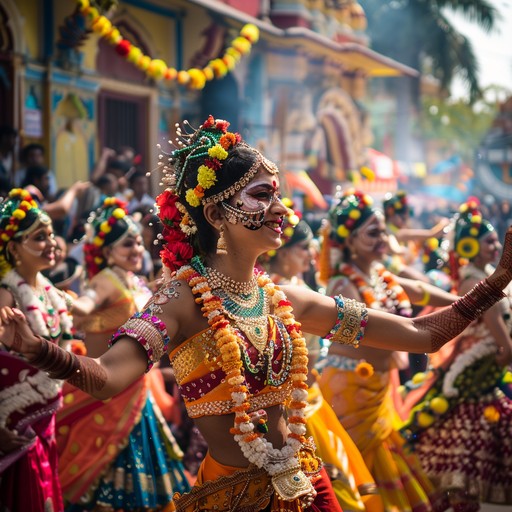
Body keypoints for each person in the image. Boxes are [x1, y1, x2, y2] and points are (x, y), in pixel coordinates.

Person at [1, 116, 512, 512]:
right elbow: (109, 378)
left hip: (307, 485)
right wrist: (41, 349)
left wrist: (497, 281)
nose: (281, 210)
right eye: (262, 195)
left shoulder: (288, 298)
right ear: (217, 214)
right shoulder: (180, 300)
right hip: (233, 495)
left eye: (279, 195)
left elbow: (421, 336)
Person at [316, 188, 462, 511]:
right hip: (351, 389)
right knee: (359, 464)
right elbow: (371, 335)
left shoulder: (380, 275)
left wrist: (472, 303)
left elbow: (422, 291)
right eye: (372, 232)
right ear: (349, 241)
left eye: (382, 229)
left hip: (380, 385)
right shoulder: (342, 285)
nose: (382, 237)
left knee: (389, 457)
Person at [56, 197, 190, 510]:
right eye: (127, 245)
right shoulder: (106, 279)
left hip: (135, 389)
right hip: (106, 391)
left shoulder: (136, 282)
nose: (136, 250)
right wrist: (56, 296)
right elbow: (85, 304)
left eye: (138, 244)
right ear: (106, 252)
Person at [260, 202, 379, 511]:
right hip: (293, 409)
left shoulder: (300, 287)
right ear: (283, 250)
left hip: (312, 398)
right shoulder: (271, 294)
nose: (311, 256)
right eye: (304, 249)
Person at [400, 198, 512, 511]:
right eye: (488, 241)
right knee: (460, 476)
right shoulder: (477, 280)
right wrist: (503, 356)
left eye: (495, 240)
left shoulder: (485, 273)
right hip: (473, 379)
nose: (495, 246)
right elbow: (503, 340)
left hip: (484, 375)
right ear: (467, 248)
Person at [0, 188, 73, 511]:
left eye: (51, 235)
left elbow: (85, 309)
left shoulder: (48, 291)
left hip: (45, 418)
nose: (52, 243)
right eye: (40, 237)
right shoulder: (7, 294)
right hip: (14, 425)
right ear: (14, 248)